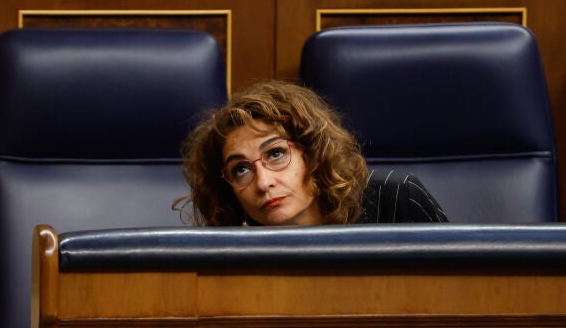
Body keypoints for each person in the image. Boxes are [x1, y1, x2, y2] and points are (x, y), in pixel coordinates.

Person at [174, 80, 447, 226]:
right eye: (240, 169)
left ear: (313, 153)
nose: (263, 182)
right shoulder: (232, 253)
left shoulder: (397, 198)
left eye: (276, 154)